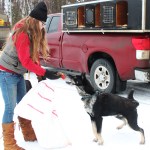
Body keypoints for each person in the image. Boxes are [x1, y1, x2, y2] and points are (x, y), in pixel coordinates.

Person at [0, 2, 62, 150]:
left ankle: (28, 133)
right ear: (35, 20)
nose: (43, 26)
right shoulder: (22, 33)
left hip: (17, 73)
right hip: (7, 73)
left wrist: (42, 75)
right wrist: (45, 72)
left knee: (24, 103)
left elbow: (33, 57)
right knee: (10, 107)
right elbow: (26, 61)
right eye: (42, 22)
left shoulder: (31, 32)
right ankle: (9, 144)